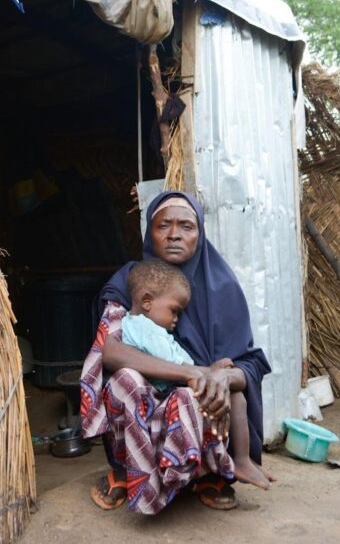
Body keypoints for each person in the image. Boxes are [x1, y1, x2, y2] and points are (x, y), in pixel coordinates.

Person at [80, 191, 272, 514]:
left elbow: (249, 363)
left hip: (198, 404)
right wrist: (189, 372)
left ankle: (208, 470)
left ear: (200, 233)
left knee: (221, 389)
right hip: (145, 402)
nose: (174, 235)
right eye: (163, 226)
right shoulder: (131, 281)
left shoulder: (223, 287)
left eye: (186, 226)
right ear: (149, 232)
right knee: (124, 379)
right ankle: (131, 468)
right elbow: (109, 350)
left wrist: (223, 376)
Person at [119, 258, 271, 490]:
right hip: (163, 398)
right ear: (147, 301)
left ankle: (240, 460)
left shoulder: (147, 326)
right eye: (174, 311)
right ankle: (225, 462)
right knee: (229, 394)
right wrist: (209, 371)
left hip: (171, 390)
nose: (177, 320)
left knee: (233, 391)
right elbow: (173, 361)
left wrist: (213, 372)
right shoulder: (144, 328)